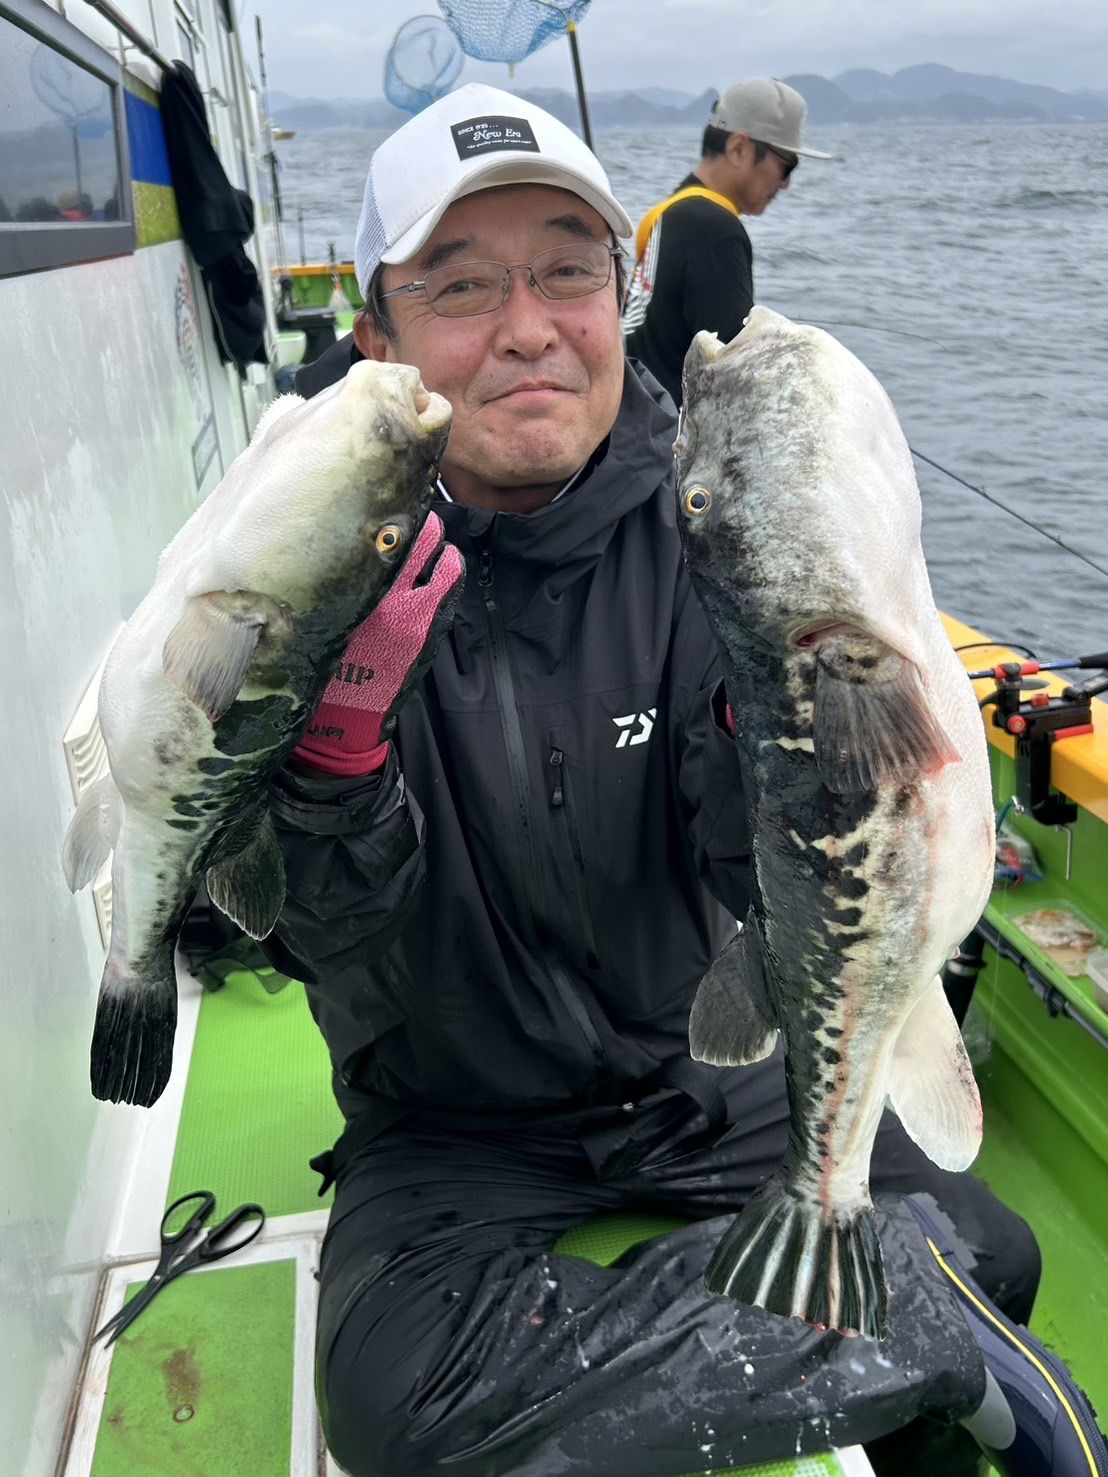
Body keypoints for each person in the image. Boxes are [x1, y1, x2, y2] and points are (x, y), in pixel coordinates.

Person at [263, 83, 1106, 1477]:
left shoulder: (722, 529)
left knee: (990, 1244)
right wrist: (331, 761)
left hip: (701, 1077)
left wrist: (777, 726)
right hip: (451, 1120)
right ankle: (888, 1329)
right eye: (460, 284)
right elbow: (306, 935)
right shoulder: (307, 554)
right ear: (378, 338)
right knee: (389, 1399)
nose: (527, 326)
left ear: (622, 293)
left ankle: (849, 1317)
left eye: (568, 271)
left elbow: (759, 876)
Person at [622, 78, 829, 407]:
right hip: (674, 432)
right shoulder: (715, 229)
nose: (786, 183)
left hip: (639, 419)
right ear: (739, 148)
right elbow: (734, 372)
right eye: (787, 165)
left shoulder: (672, 213)